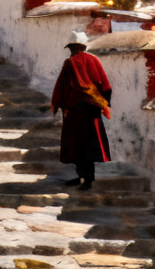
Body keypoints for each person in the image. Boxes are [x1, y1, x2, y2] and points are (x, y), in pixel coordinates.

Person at [50, 31, 112, 191]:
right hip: (93, 110)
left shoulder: (70, 62)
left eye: (71, 47)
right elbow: (106, 86)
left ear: (74, 47)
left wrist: (57, 104)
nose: (70, 51)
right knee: (90, 144)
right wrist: (104, 104)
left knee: (76, 145)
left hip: (75, 110)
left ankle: (86, 178)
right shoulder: (95, 60)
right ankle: (86, 177)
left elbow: (61, 87)